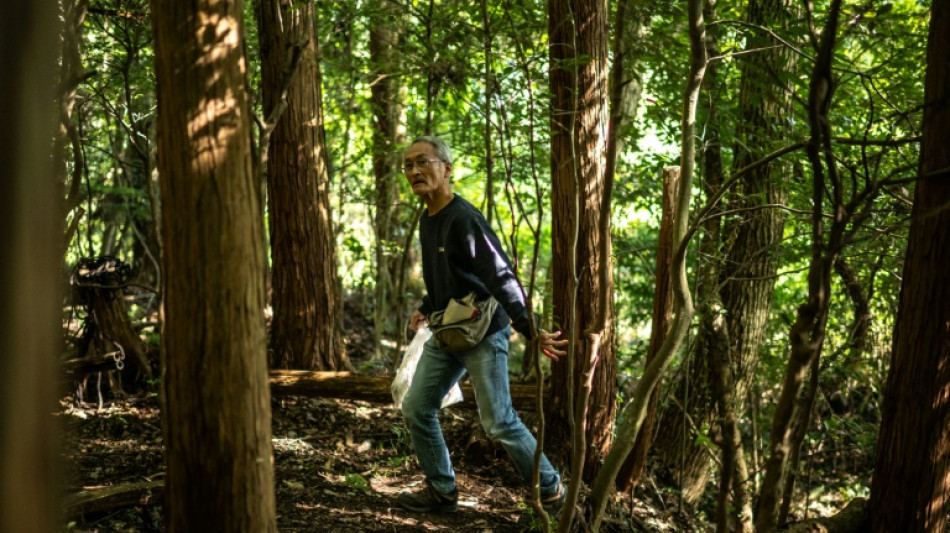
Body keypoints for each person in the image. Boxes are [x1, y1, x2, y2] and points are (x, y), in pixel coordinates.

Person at [396, 136, 569, 515]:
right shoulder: (428, 219)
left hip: (483, 332)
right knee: (416, 408)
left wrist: (530, 328)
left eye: (422, 162)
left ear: (446, 168)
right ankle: (442, 493)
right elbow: (449, 274)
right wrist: (427, 305)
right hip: (448, 331)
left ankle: (553, 490)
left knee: (499, 422)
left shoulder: (464, 218)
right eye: (408, 166)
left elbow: (499, 275)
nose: (414, 172)